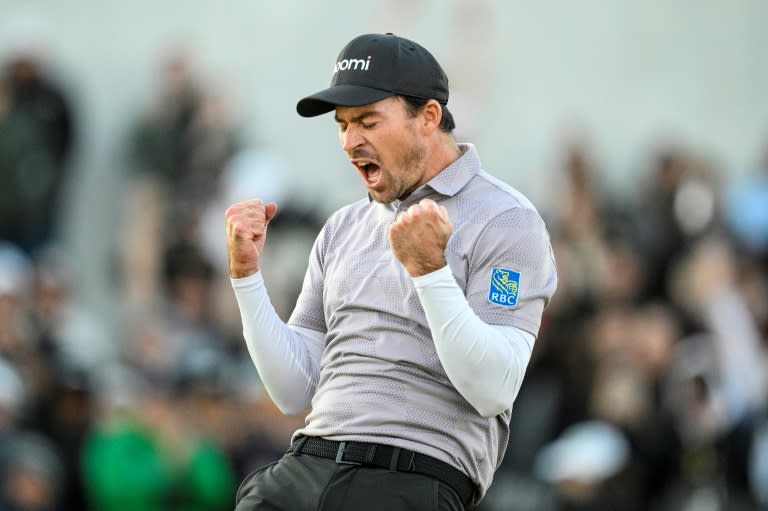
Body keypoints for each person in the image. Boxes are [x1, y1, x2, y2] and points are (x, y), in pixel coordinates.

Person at [225, 33, 557, 511]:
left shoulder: (507, 220)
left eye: (367, 121)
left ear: (428, 118)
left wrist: (430, 272)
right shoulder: (342, 227)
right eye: (342, 125)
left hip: (411, 477)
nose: (349, 141)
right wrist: (246, 278)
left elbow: (492, 388)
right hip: (304, 468)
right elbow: (292, 390)